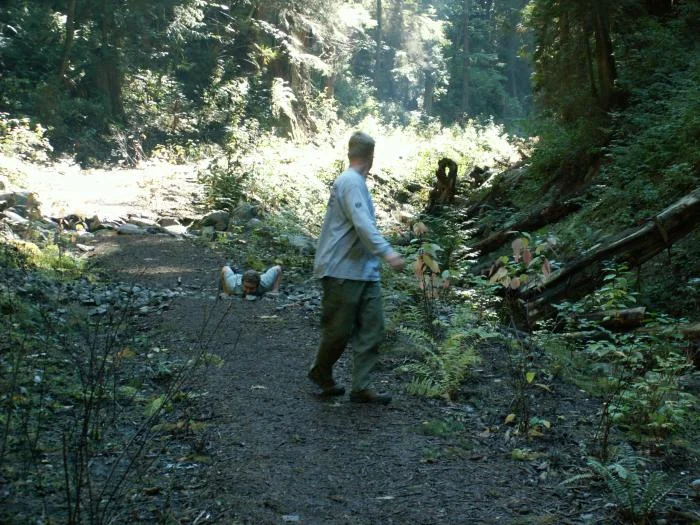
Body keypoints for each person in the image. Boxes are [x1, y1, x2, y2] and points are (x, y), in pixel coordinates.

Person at [308, 131, 404, 404]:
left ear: (350, 154)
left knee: (373, 329)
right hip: (341, 270)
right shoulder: (350, 183)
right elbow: (363, 224)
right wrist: (388, 253)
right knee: (337, 332)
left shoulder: (354, 182)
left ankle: (361, 387)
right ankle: (321, 372)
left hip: (365, 271)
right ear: (371, 158)